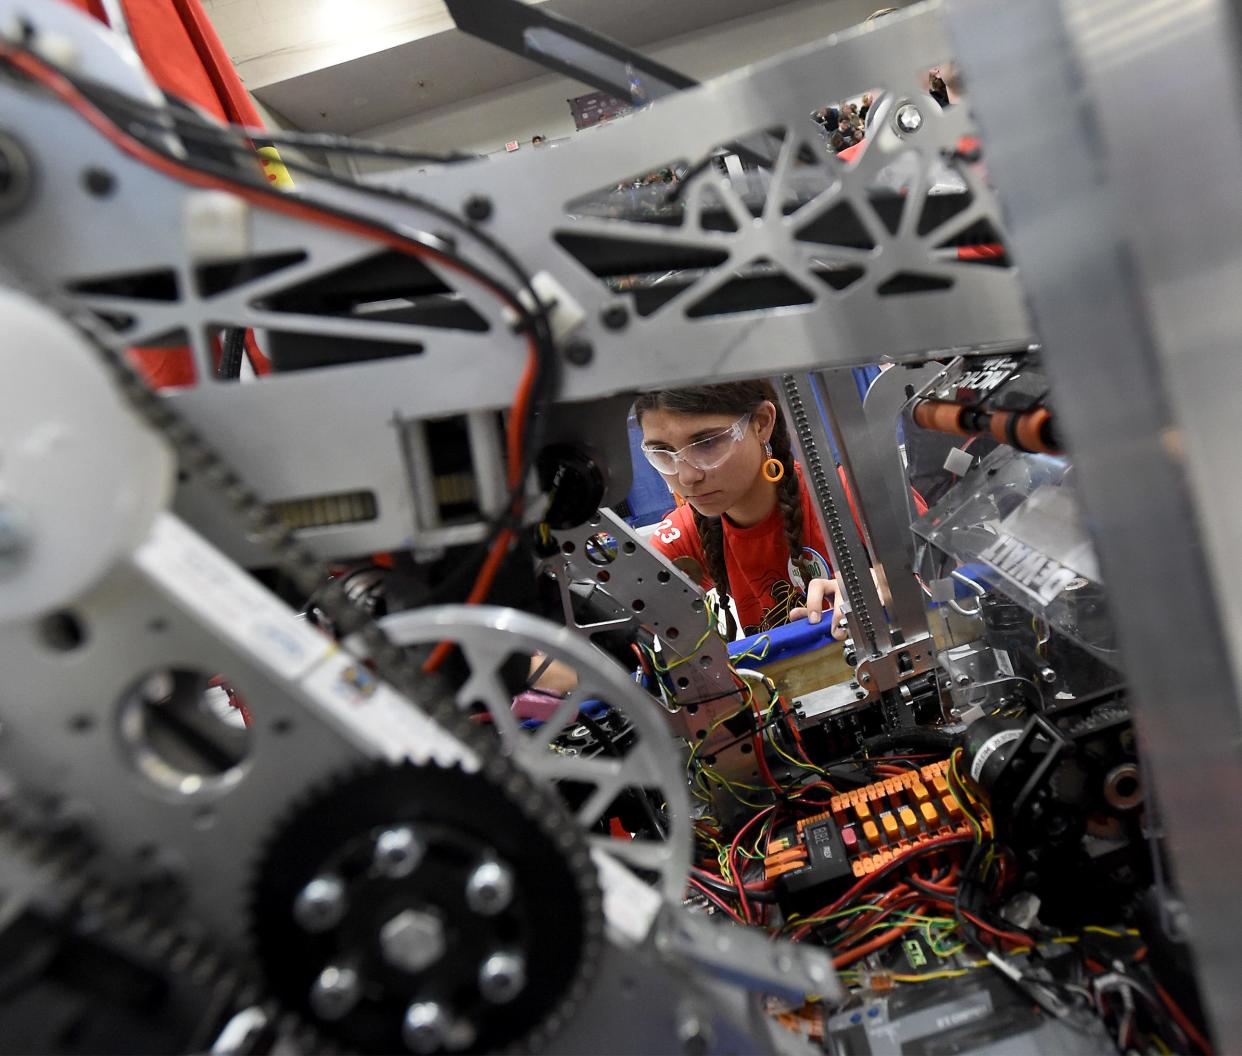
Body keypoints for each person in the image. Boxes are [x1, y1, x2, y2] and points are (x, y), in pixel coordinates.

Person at [633, 381, 848, 639]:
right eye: (663, 452)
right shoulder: (686, 534)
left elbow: (908, 567)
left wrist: (884, 586)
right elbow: (626, 620)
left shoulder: (848, 497)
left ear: (762, 423)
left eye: (706, 443)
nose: (687, 476)